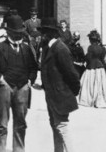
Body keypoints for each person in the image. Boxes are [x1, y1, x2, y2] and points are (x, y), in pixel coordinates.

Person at [0, 15, 38, 152]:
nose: (18, 36)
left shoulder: (26, 49)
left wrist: (30, 80)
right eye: (16, 33)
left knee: (21, 124)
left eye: (20, 33)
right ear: (9, 32)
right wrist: (0, 79)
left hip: (22, 88)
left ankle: (19, 149)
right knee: (1, 124)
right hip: (4, 88)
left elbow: (34, 68)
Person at [38, 18, 81, 152]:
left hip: (60, 95)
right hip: (51, 95)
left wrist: (70, 92)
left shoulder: (60, 48)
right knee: (55, 126)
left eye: (43, 33)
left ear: (49, 34)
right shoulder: (47, 48)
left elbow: (72, 74)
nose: (41, 36)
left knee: (62, 127)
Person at [77, 29, 106, 108]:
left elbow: (89, 57)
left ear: (91, 40)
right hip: (101, 68)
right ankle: (100, 100)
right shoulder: (103, 48)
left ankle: (90, 99)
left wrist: (85, 58)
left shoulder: (91, 47)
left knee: (90, 84)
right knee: (100, 84)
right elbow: (102, 57)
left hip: (91, 67)